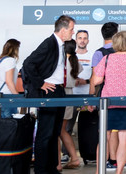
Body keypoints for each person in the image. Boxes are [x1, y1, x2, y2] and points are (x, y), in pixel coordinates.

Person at [22, 14, 76, 174]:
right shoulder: (49, 43)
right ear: (63, 29)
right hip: (49, 91)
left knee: (54, 132)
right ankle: (41, 170)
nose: (73, 33)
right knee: (45, 133)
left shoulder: (61, 45)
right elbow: (28, 63)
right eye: (72, 30)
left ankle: (52, 168)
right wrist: (41, 83)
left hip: (59, 90)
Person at [90, 31, 126, 174]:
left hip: (108, 103)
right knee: (124, 137)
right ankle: (119, 171)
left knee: (104, 137)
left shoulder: (107, 58)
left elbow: (97, 80)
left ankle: (99, 171)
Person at [58, 40, 82, 170]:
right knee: (62, 130)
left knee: (57, 130)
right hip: (70, 96)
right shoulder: (75, 62)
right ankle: (74, 158)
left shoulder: (60, 62)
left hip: (60, 94)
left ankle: (57, 164)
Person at [0, 38, 21, 117]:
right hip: (8, 96)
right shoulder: (10, 61)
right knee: (9, 125)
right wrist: (17, 97)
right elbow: (9, 81)